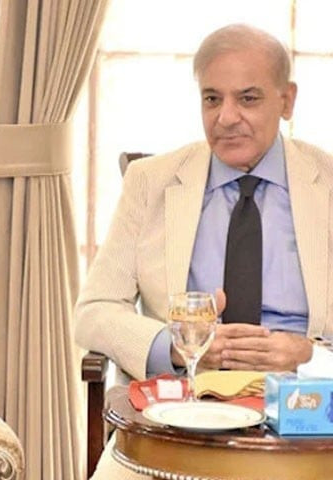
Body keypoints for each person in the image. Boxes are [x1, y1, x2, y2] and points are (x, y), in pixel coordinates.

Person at [75, 24, 333, 479]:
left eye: (248, 98)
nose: (226, 117)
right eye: (212, 99)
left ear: (287, 100)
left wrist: (309, 356)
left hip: (309, 423)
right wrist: (176, 347)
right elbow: (94, 310)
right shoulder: (151, 182)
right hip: (178, 421)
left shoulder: (326, 183)